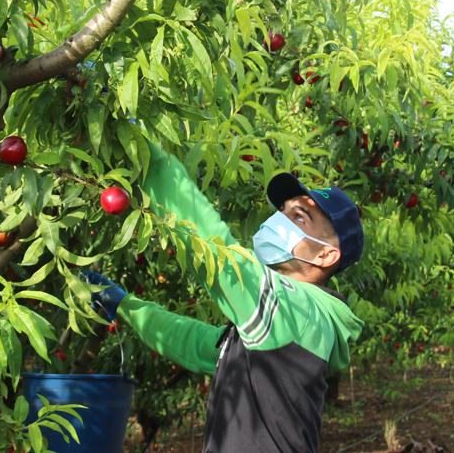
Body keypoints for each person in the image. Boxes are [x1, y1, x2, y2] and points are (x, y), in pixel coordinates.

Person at [83, 144, 364, 452]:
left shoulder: (299, 311)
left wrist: (147, 155)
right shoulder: (280, 328)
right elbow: (190, 341)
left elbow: (215, 250)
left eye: (299, 216)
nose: (280, 220)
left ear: (326, 255)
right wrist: (123, 304)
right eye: (282, 211)